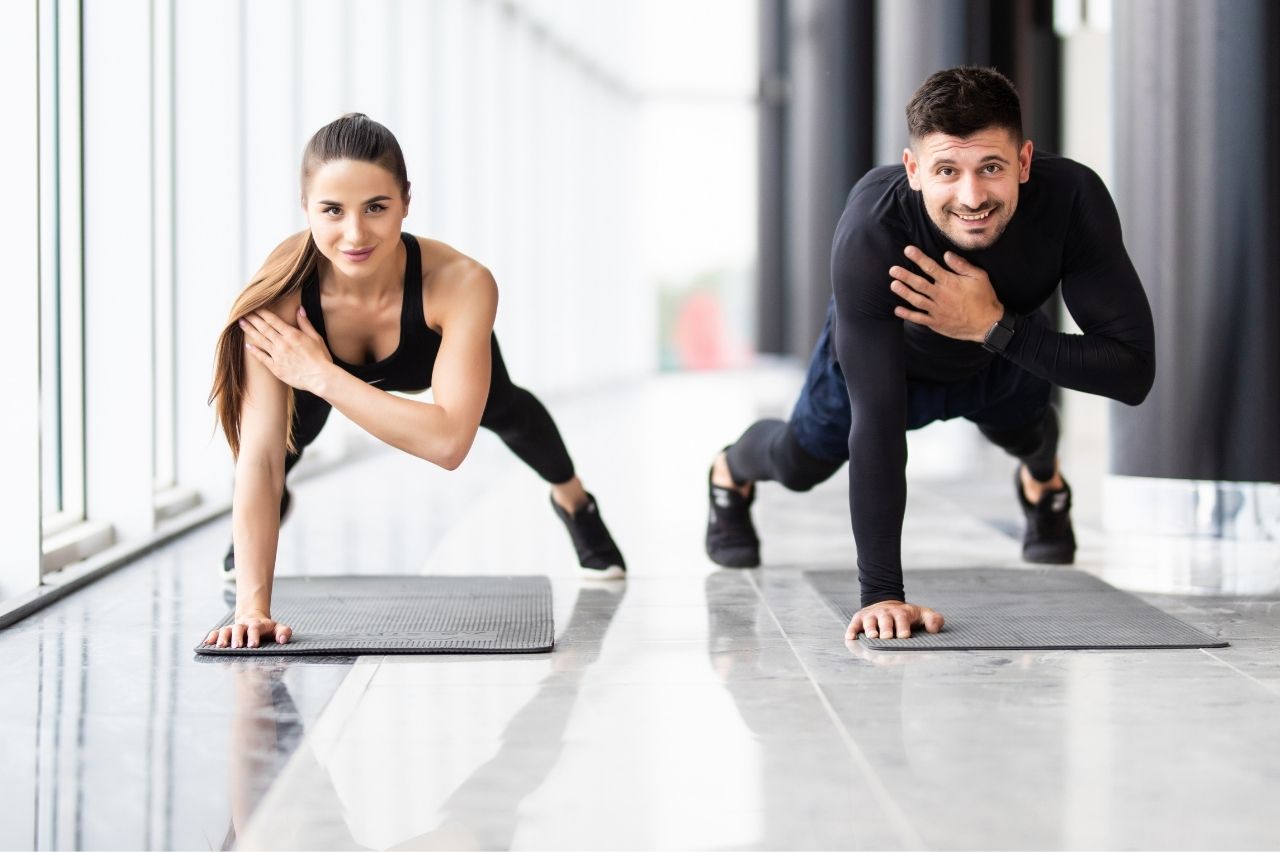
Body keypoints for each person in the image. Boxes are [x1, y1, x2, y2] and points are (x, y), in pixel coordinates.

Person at [705, 67, 1155, 641]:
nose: (972, 198)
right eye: (947, 170)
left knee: (1030, 438)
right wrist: (881, 594)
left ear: (1024, 161)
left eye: (991, 167)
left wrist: (992, 326)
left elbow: (1132, 372)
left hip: (999, 351)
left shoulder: (1071, 198)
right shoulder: (873, 230)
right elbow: (876, 421)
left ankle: (1042, 484)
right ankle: (729, 470)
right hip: (893, 367)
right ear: (913, 170)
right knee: (799, 463)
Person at [204, 113, 624, 650]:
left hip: (402, 359)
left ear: (406, 201)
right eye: (332, 210)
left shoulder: (460, 283)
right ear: (305, 207)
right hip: (311, 367)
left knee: (509, 411)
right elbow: (258, 459)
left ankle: (575, 502)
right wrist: (252, 608)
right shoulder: (280, 295)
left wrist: (322, 374)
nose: (355, 234)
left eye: (376, 207)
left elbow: (448, 444)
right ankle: (265, 520)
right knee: (283, 446)